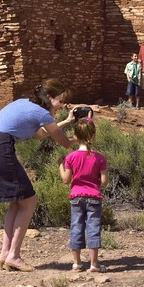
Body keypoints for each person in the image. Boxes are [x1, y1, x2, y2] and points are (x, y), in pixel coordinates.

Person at [0, 78, 76, 272]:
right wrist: (80, 137)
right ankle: (14, 256)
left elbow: (39, 134)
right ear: (48, 97)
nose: (61, 105)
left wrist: (66, 121)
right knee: (29, 202)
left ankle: (5, 254)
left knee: (17, 202)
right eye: (59, 101)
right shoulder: (40, 112)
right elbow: (64, 142)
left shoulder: (24, 103)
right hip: (0, 146)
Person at [59, 116, 109, 273]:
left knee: (76, 227)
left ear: (75, 136)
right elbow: (104, 181)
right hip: (94, 196)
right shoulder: (99, 157)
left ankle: (77, 263)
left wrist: (61, 165)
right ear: (93, 136)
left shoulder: (71, 157)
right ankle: (94, 264)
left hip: (76, 197)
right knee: (93, 228)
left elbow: (66, 180)